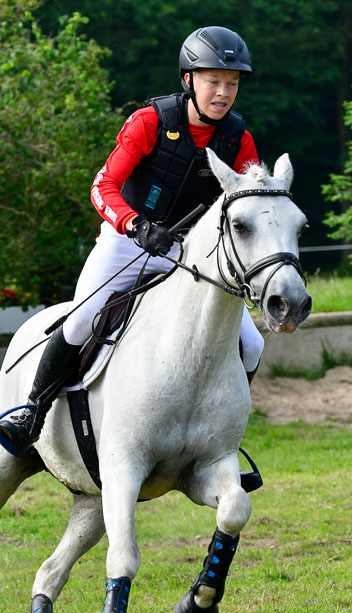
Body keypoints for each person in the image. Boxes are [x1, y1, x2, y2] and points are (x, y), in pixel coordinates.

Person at [0, 26, 264, 456]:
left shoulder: (239, 138)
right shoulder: (150, 122)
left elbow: (248, 204)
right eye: (213, 81)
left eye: (232, 83)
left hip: (187, 254)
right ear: (188, 80)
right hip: (128, 241)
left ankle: (225, 430)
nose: (223, 92)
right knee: (82, 318)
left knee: (252, 342)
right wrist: (135, 225)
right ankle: (34, 411)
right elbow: (103, 187)